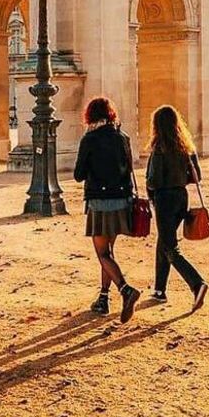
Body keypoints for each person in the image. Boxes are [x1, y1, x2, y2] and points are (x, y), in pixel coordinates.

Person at [73, 96, 141, 323]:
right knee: (108, 253)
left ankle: (125, 289)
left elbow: (78, 174)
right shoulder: (123, 137)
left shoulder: (89, 139)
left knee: (102, 254)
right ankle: (103, 298)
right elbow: (129, 167)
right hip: (122, 199)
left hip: (100, 202)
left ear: (90, 116)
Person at [145, 105, 208, 312]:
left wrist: (152, 189)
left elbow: (153, 180)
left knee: (171, 247)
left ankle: (196, 283)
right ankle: (160, 290)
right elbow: (197, 175)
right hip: (182, 197)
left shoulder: (159, 147)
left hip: (164, 199)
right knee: (164, 241)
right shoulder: (186, 147)